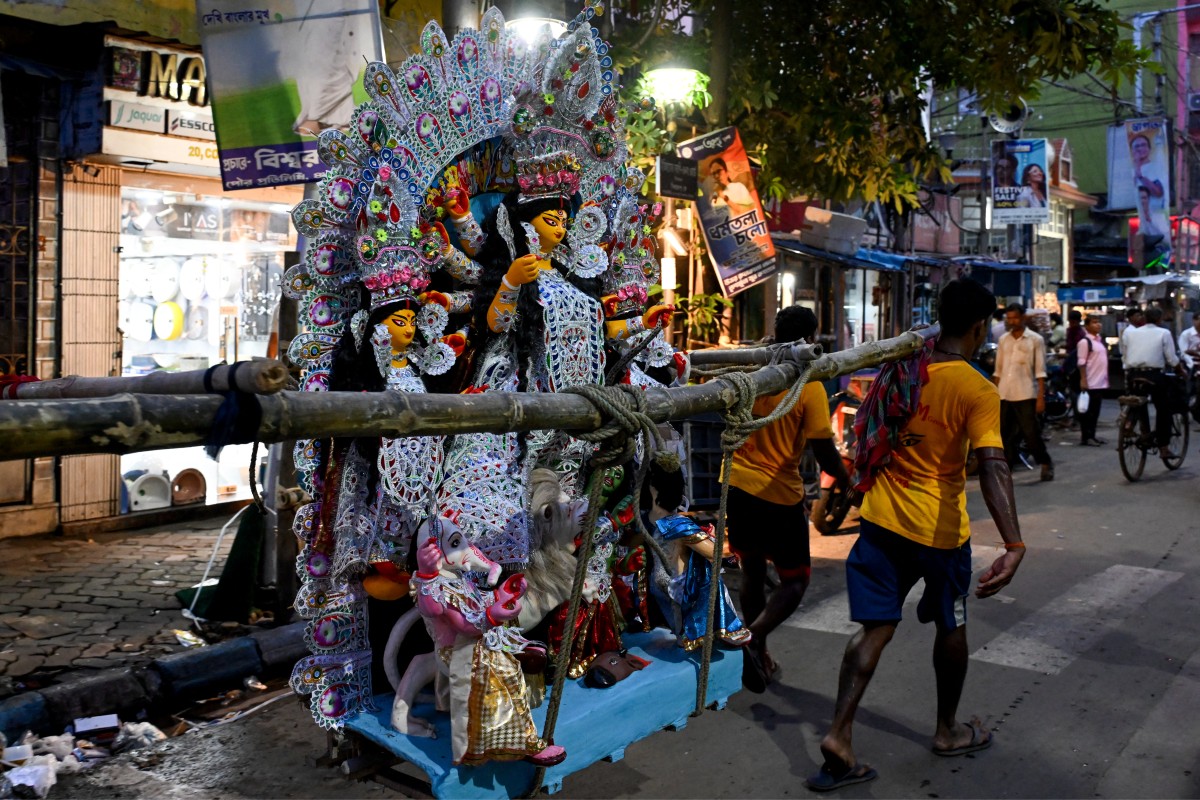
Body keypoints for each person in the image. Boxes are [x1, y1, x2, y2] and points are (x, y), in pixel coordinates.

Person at [807, 279, 1026, 792]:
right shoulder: (976, 388)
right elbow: (994, 465)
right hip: (939, 532)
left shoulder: (902, 367)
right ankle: (948, 730)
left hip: (881, 522)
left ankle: (839, 735)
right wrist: (1014, 544)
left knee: (874, 630)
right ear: (979, 327)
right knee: (952, 625)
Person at [726, 305, 849, 692]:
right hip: (777, 496)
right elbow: (824, 451)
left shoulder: (753, 372)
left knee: (752, 571)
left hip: (736, 487)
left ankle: (758, 652)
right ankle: (753, 640)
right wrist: (849, 481)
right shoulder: (807, 385)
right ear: (811, 339)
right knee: (795, 581)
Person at [994, 303, 1053, 481]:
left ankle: (1045, 462)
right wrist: (993, 394)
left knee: (1031, 433)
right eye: (1009, 318)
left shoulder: (1035, 340)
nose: (1012, 321)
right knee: (1005, 435)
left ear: (1023, 318)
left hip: (1026, 393)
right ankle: (1007, 469)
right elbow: (998, 370)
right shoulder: (1003, 340)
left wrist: (1040, 397)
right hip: (1004, 393)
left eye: (1015, 318)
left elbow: (1040, 371)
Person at [1122, 306, 1181, 458]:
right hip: (1153, 376)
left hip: (1133, 375)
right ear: (1160, 319)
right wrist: (1181, 370)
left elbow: (1125, 355)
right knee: (1164, 408)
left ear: (1144, 318)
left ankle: (1132, 425)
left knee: (1137, 402)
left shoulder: (1130, 333)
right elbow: (1171, 359)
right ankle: (1163, 447)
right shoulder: (1164, 333)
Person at [1077, 315, 1109, 447]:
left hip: (1100, 383)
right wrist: (1083, 380)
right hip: (1090, 382)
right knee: (1088, 412)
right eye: (1094, 322)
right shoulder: (1085, 342)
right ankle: (1086, 437)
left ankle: (1092, 435)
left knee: (1095, 412)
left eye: (1099, 322)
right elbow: (1081, 363)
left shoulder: (1099, 342)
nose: (1098, 325)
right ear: (1087, 326)